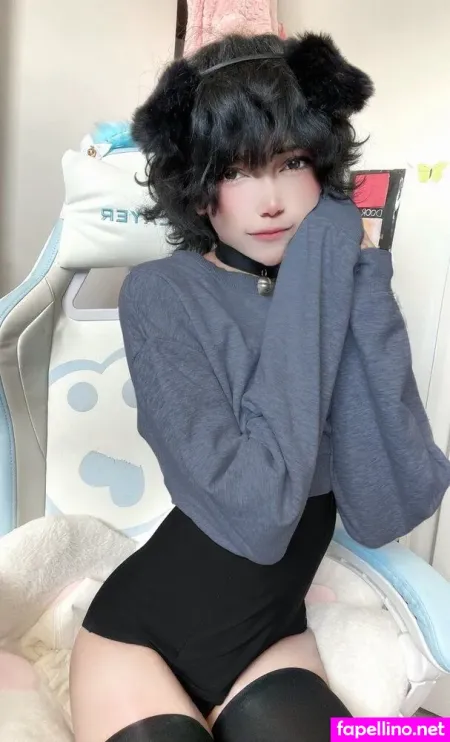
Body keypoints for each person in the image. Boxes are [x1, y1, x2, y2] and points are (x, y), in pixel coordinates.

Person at [69, 31, 448, 742]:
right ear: (197, 187)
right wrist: (322, 258)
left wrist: (360, 276)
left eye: (292, 162)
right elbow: (257, 514)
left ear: (323, 166)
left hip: (271, 639)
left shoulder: (332, 288)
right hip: (142, 638)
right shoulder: (161, 294)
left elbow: (391, 501)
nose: (271, 200)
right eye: (236, 171)